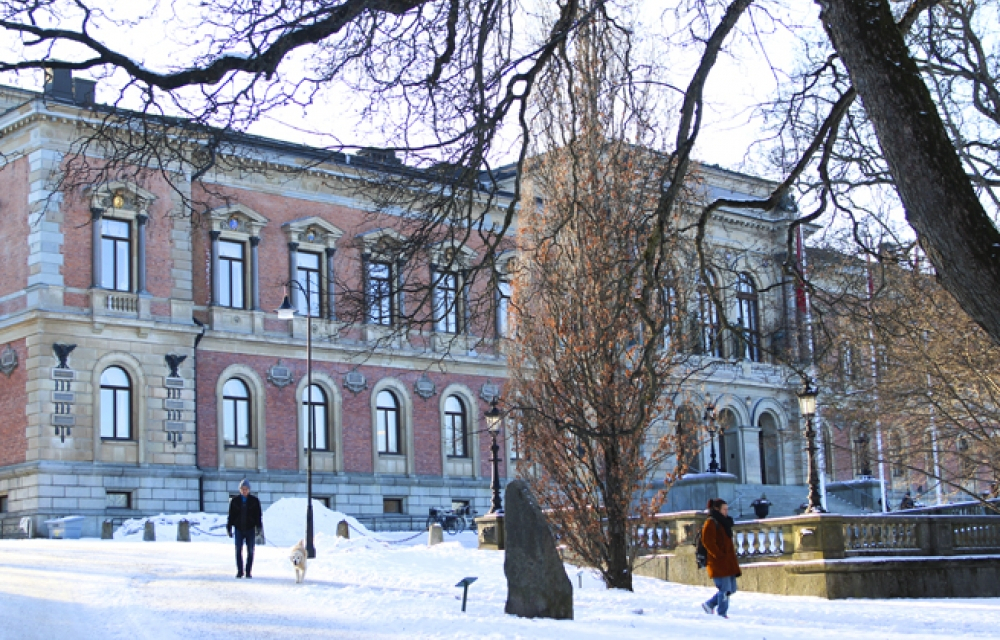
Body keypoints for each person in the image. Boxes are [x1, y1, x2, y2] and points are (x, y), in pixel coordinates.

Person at [700, 498, 741, 619]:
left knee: (732, 589)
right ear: (717, 509)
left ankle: (709, 604)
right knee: (725, 589)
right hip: (718, 563)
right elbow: (708, 541)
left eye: (727, 509)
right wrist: (718, 555)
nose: (726, 511)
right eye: (724, 509)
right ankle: (722, 614)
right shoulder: (711, 522)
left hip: (728, 563)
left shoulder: (724, 522)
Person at [227, 479, 263, 579]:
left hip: (250, 528)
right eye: (242, 489)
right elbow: (231, 515)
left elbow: (258, 516)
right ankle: (239, 571)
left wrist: (259, 527)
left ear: (249, 490)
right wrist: (229, 527)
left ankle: (248, 571)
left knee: (250, 551)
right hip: (238, 528)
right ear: (240, 490)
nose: (244, 491)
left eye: (246, 489)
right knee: (238, 550)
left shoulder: (255, 501)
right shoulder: (235, 501)